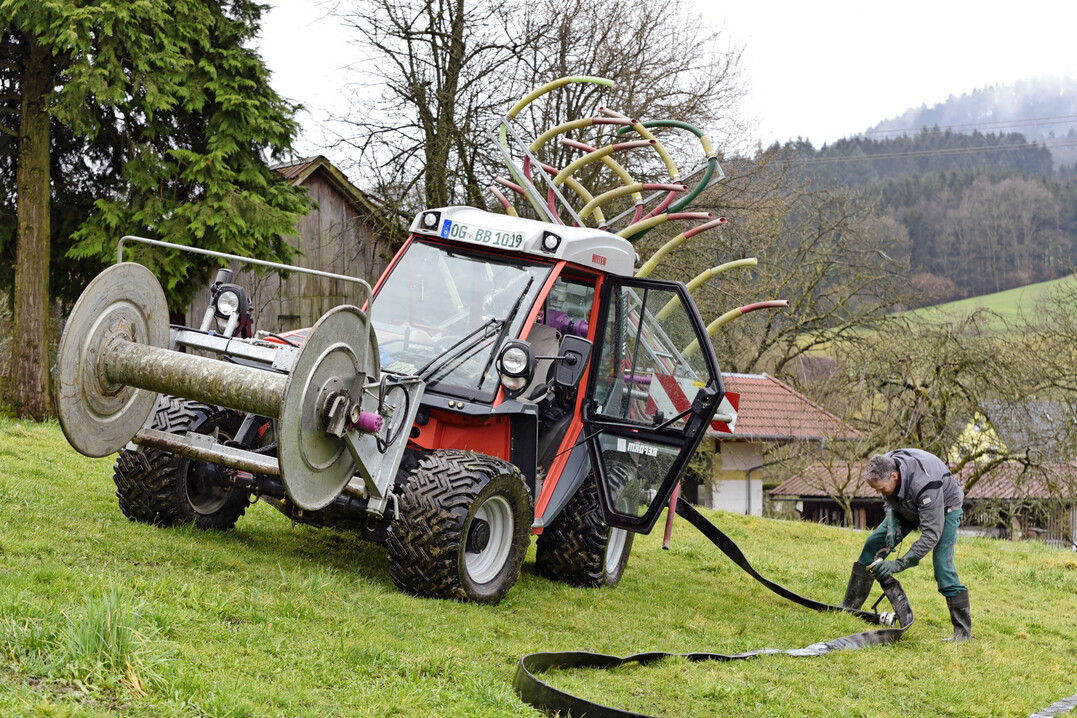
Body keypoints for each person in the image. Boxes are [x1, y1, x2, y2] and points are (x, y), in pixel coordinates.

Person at [840, 449, 971, 643]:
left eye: (881, 489)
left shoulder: (926, 483)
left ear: (895, 476)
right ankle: (850, 607)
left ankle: (963, 633)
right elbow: (888, 499)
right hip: (908, 503)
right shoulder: (885, 464)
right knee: (873, 544)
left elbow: (930, 536)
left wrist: (896, 565)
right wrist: (892, 521)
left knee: (942, 564)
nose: (879, 493)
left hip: (944, 506)